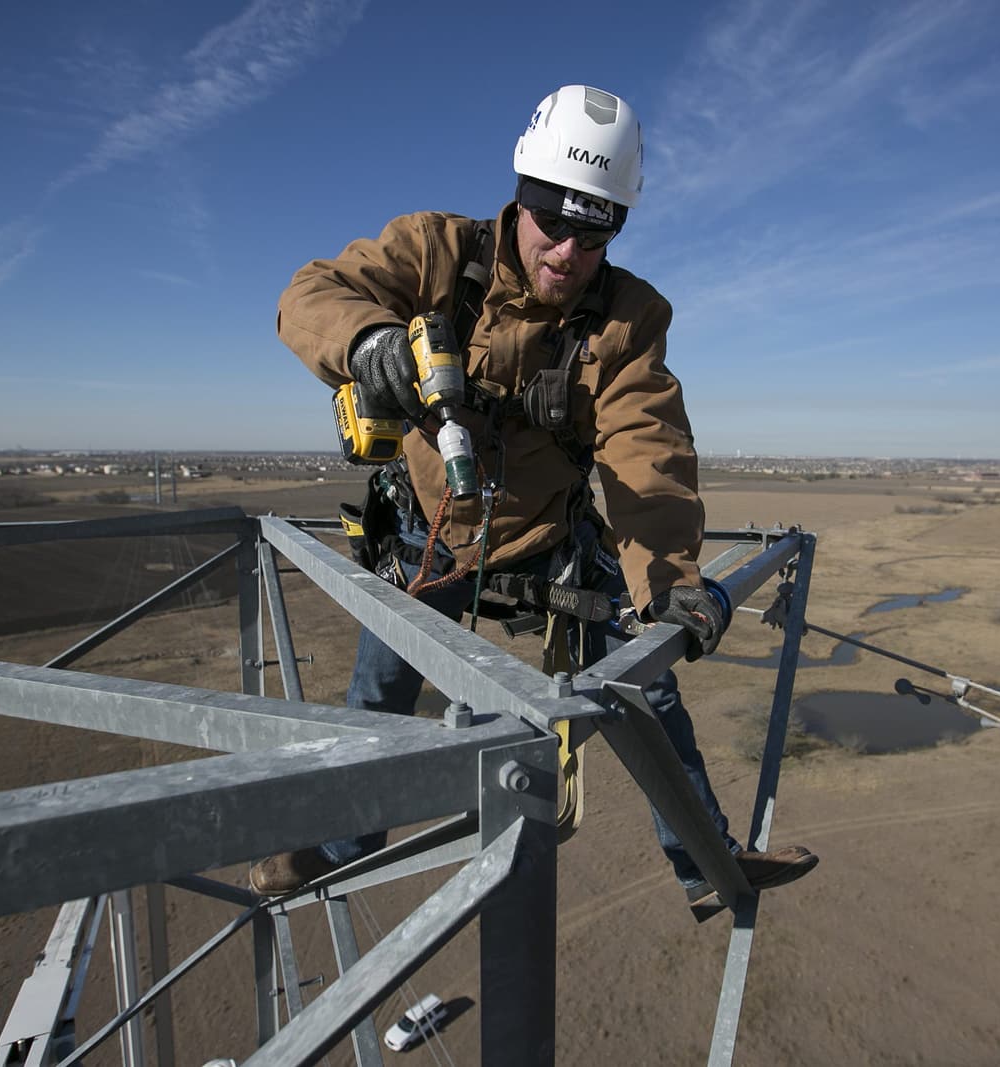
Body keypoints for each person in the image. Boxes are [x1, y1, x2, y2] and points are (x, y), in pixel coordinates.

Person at [263, 85, 817, 916]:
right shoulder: (437, 252)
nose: (566, 251)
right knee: (380, 694)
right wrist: (368, 340)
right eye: (552, 221)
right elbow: (311, 293)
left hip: (549, 544)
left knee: (646, 682)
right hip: (430, 539)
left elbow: (646, 446)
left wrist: (669, 581)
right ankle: (341, 849)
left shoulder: (624, 318)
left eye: (594, 234)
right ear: (520, 195)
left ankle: (704, 860)